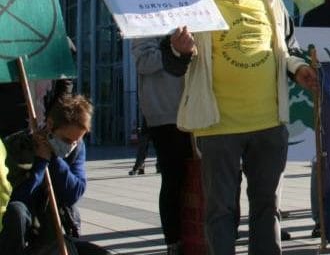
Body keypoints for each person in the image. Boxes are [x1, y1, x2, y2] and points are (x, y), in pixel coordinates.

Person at [162, 0, 318, 255]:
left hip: (269, 123)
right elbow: (172, 64)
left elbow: (287, 48)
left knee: (268, 206)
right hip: (218, 125)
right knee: (221, 210)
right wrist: (179, 50)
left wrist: (299, 69)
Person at [0, 94, 108, 255]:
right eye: (66, 140)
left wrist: (54, 159)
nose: (71, 145)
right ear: (50, 125)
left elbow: (74, 192)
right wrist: (40, 163)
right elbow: (18, 198)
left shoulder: (77, 147)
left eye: (76, 140)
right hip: (23, 231)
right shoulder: (19, 145)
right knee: (17, 211)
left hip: (56, 229)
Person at [132, 38, 191, 255]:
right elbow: (143, 61)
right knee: (173, 178)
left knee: (207, 178)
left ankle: (201, 234)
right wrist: (176, 48)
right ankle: (174, 240)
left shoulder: (195, 20)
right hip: (165, 115)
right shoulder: (146, 24)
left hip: (198, 109)